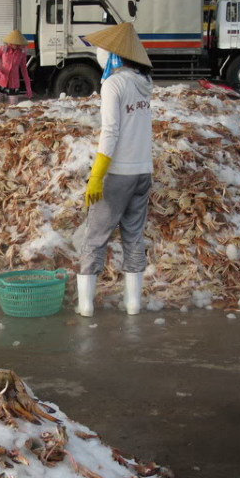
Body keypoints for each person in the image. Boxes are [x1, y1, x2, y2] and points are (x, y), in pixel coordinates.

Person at [75, 23, 154, 318]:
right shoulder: (144, 83)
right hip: (143, 171)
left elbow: (110, 131)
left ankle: (85, 306)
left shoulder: (113, 84)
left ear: (112, 57)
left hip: (118, 172)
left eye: (101, 52)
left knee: (95, 237)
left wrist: (97, 174)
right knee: (133, 237)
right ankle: (133, 304)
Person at [0, 30, 32, 105]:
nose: (17, 46)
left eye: (19, 44)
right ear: (10, 42)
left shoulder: (22, 52)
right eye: (15, 44)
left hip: (14, 83)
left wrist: (28, 87)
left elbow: (24, 70)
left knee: (13, 108)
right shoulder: (3, 49)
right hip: (0, 81)